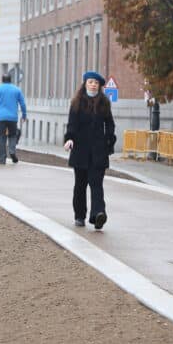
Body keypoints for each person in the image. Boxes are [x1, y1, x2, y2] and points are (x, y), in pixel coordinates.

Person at [63, 72, 116, 229]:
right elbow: (72, 124)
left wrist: (109, 140)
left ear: (99, 86)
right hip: (80, 150)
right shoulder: (77, 103)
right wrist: (69, 139)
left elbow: (110, 124)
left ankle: (98, 214)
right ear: (85, 83)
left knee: (96, 184)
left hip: (99, 151)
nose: (93, 84)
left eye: (96, 83)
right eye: (90, 82)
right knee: (80, 185)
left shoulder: (104, 103)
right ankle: (80, 215)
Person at [0, 73, 28, 165]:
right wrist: (24, 115)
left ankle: (2, 158)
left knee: (1, 137)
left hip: (1, 118)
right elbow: (22, 103)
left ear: (2, 79)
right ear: (11, 80)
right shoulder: (17, 90)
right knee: (12, 136)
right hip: (12, 118)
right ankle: (12, 151)